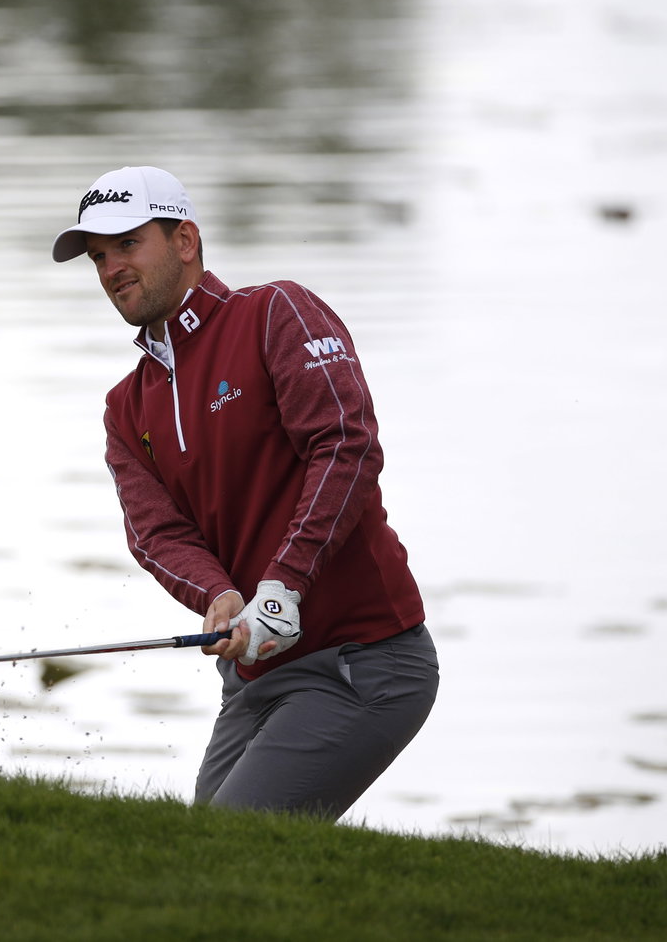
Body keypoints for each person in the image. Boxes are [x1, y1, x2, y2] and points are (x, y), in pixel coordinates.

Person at [50, 165, 438, 820]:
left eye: (127, 244)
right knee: (209, 868)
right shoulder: (126, 407)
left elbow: (345, 446)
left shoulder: (273, 314)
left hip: (361, 660)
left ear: (185, 241)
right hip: (253, 678)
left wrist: (283, 587)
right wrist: (222, 597)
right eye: (98, 257)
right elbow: (157, 534)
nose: (111, 268)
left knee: (230, 851)